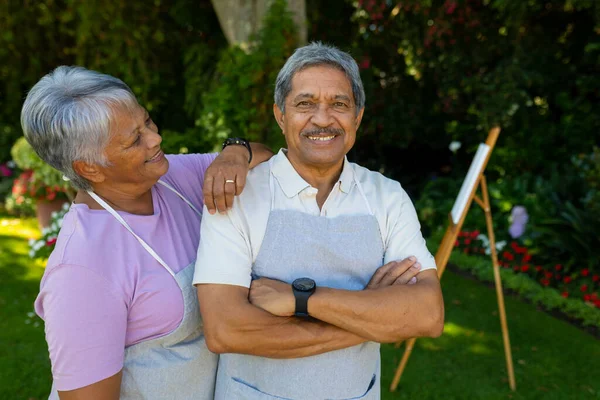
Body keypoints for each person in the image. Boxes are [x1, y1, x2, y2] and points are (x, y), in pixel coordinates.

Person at [194, 42, 444, 399]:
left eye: (339, 104)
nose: (323, 119)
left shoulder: (387, 197)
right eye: (305, 104)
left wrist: (303, 300)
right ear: (281, 115)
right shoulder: (239, 196)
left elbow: (427, 315)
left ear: (357, 116)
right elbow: (225, 329)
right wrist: (372, 319)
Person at [25, 66, 273, 399]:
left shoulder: (173, 179)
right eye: (134, 139)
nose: (155, 138)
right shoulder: (81, 269)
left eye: (147, 121)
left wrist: (234, 152)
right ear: (90, 167)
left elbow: (265, 160)